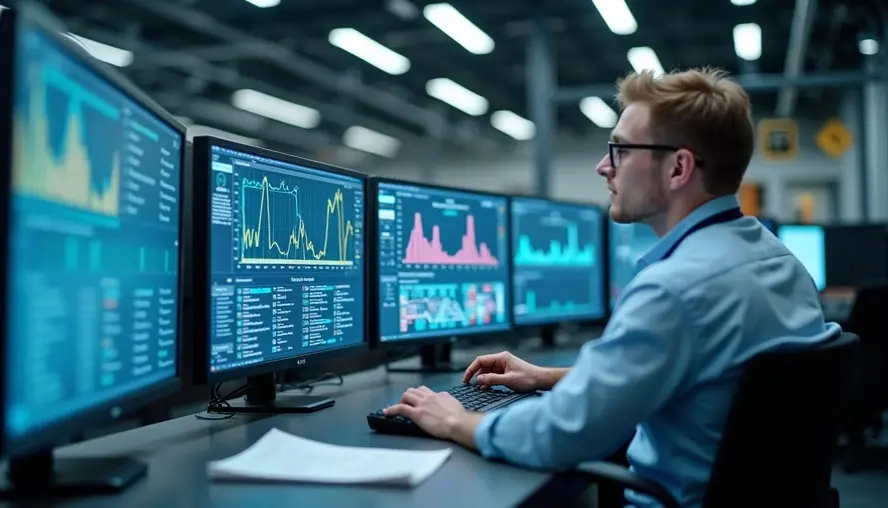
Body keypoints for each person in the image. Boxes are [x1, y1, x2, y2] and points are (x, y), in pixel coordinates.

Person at [383, 66, 841, 507]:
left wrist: (455, 420)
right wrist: (546, 377)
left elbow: (559, 435)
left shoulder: (673, 289)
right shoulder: (780, 262)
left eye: (620, 149)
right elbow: (707, 376)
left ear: (678, 168)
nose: (605, 166)